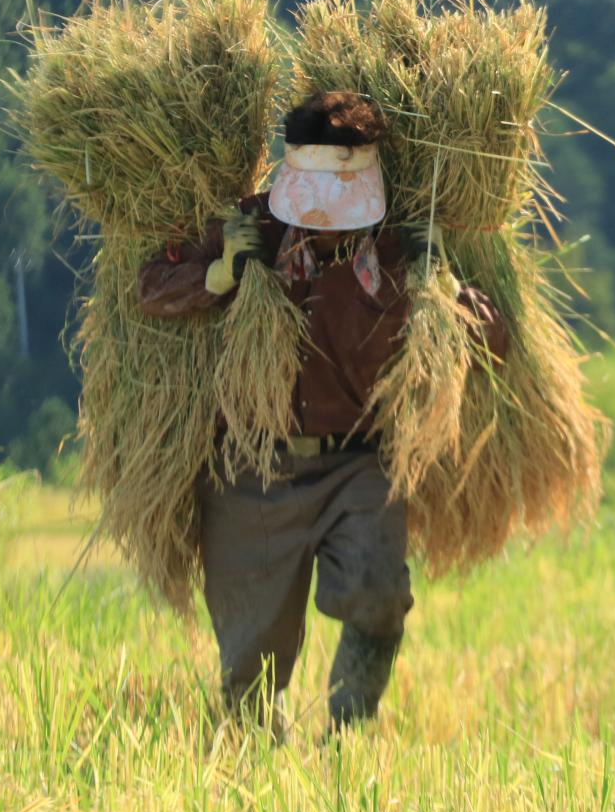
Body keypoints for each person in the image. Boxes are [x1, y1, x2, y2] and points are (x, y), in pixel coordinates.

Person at [137, 90, 505, 732]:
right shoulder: (256, 228)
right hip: (250, 467)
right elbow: (149, 287)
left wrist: (442, 287)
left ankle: (350, 732)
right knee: (250, 655)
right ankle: (258, 778)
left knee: (380, 597)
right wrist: (221, 274)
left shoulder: (398, 249)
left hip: (358, 464)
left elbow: (493, 341)